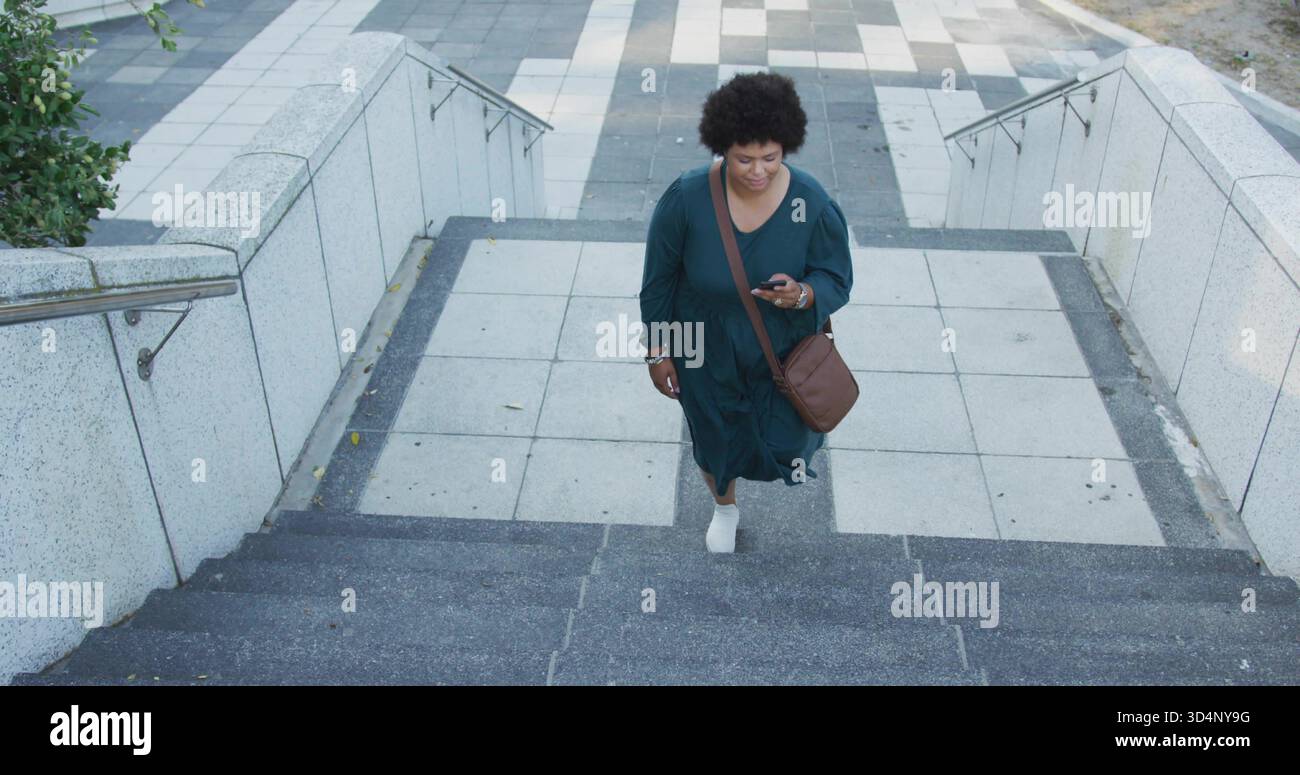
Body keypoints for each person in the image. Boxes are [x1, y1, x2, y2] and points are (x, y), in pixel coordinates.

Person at [639, 71, 854, 553]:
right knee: (714, 435)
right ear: (722, 148)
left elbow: (837, 278)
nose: (758, 171)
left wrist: (802, 295)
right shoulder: (686, 198)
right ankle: (724, 507)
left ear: (786, 147)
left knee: (785, 441)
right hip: (702, 342)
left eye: (770, 158)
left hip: (781, 347)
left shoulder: (811, 204)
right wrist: (657, 352)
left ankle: (751, 473)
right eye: (744, 159)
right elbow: (657, 283)